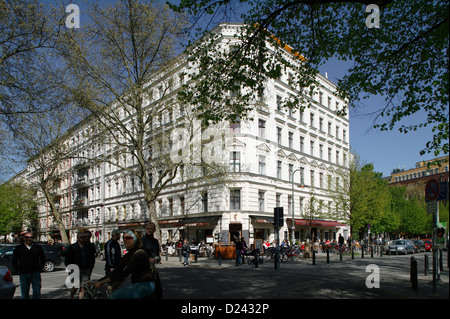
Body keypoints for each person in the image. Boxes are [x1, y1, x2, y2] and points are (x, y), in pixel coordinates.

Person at [94, 230, 155, 299]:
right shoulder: (128, 255)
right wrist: (98, 281)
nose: (125, 240)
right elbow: (117, 270)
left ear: (135, 239)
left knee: (115, 297)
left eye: (128, 238)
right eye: (123, 238)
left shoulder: (140, 254)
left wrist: (104, 282)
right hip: (137, 285)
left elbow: (125, 272)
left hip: (145, 285)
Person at [12, 231, 45, 299]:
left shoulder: (38, 247)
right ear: (24, 238)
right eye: (27, 237)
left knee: (37, 293)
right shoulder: (19, 248)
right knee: (24, 294)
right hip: (24, 273)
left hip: (35, 273)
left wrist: (39, 269)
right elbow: (14, 260)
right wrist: (18, 270)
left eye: (31, 237)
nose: (29, 239)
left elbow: (43, 259)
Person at [65, 231, 97, 299]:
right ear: (77, 238)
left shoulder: (88, 247)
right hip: (75, 269)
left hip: (86, 269)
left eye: (84, 237)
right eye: (81, 237)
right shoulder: (72, 247)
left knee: (83, 287)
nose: (83, 238)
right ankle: (71, 296)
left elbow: (92, 257)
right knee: (75, 286)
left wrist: (91, 266)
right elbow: (67, 259)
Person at [142, 222, 162, 299]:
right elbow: (138, 254)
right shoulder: (142, 240)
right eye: (148, 229)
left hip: (152, 270)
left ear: (154, 230)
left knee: (158, 289)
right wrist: (148, 259)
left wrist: (156, 259)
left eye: (151, 229)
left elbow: (157, 255)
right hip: (143, 269)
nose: (149, 230)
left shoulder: (155, 241)